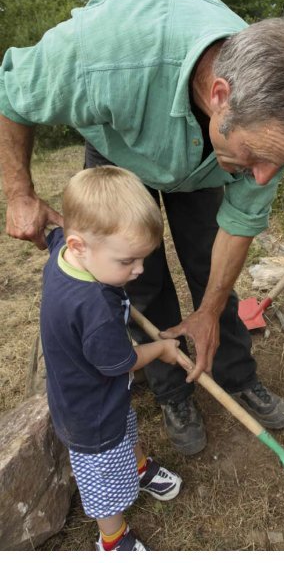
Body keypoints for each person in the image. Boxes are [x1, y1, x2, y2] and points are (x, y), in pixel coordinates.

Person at [0, 0, 284, 456]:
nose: (266, 176)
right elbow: (11, 94)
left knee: (212, 270)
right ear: (220, 95)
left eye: (282, 162)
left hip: (205, 162)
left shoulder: (266, 115)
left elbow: (241, 221)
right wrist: (20, 192)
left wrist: (206, 310)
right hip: (124, 141)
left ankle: (236, 375)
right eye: (262, 155)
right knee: (136, 275)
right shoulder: (106, 55)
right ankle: (172, 390)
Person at [40, 165, 191, 551]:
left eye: (143, 259)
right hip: (89, 410)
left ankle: (139, 468)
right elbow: (121, 363)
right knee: (105, 475)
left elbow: (54, 233)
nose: (139, 270)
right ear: (79, 246)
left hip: (106, 398)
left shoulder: (66, 252)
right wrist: (162, 349)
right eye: (127, 262)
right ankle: (112, 538)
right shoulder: (96, 310)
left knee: (127, 429)